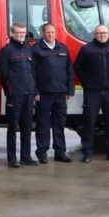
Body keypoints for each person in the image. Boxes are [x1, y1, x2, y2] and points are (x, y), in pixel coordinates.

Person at [75, 24, 109, 163]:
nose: (102, 35)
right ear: (95, 35)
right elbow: (78, 66)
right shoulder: (87, 49)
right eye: (99, 33)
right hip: (92, 92)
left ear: (108, 34)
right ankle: (87, 152)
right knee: (89, 122)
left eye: (104, 33)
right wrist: (87, 82)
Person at [0, 22, 37, 167]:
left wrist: (35, 91)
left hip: (28, 93)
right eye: (18, 32)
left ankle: (26, 156)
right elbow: (2, 73)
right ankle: (12, 159)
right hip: (15, 94)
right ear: (12, 34)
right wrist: (10, 91)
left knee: (27, 126)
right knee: (13, 127)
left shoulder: (28, 49)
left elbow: (33, 72)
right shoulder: (6, 51)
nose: (21, 35)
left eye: (23, 32)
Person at [32, 22, 73, 163]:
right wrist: (35, 91)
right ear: (42, 33)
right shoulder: (36, 50)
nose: (50, 35)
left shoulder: (63, 48)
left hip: (61, 93)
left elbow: (69, 70)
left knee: (60, 124)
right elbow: (32, 73)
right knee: (43, 124)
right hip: (44, 93)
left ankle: (60, 152)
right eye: (47, 32)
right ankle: (42, 152)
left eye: (52, 32)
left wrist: (70, 89)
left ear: (56, 33)